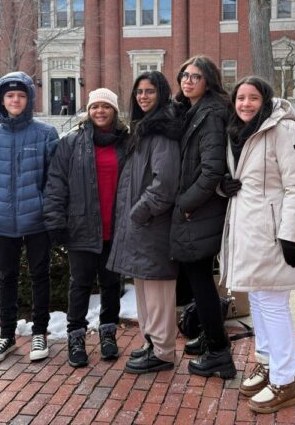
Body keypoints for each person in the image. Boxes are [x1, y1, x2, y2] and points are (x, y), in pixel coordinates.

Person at [219, 76, 295, 414]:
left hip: (272, 234)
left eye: (252, 98)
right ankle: (268, 362)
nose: (245, 104)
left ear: (265, 99)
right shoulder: (240, 131)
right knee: (258, 300)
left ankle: (286, 381)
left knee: (273, 305)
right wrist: (224, 186)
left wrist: (289, 235)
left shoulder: (284, 129)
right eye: (240, 98)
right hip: (248, 230)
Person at [0, 71, 59, 365]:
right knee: (6, 277)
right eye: (10, 95)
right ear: (1, 100)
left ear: (29, 99)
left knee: (39, 275)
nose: (15, 100)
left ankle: (40, 332)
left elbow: (54, 177)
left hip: (36, 220)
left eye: (21, 95)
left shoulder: (46, 134)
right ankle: (6, 336)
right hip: (2, 220)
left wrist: (44, 205)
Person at [44, 88, 129, 368]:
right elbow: (56, 183)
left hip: (115, 228)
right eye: (95, 107)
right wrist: (55, 220)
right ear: (88, 111)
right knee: (79, 284)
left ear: (114, 111)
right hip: (81, 226)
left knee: (111, 284)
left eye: (106, 106)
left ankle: (108, 334)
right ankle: (76, 337)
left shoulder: (126, 143)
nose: (100, 111)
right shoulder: (70, 143)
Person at [107, 71, 181, 374]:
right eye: (139, 91)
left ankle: (163, 351)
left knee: (159, 291)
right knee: (143, 287)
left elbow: (164, 183)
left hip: (153, 224)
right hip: (140, 225)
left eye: (150, 91)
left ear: (161, 94)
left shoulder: (162, 132)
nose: (143, 96)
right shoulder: (144, 129)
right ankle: (151, 342)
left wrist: (140, 211)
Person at [171, 56, 236, 380]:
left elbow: (211, 170)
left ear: (208, 81)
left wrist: (185, 203)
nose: (188, 81)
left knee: (201, 282)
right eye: (185, 75)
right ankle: (211, 339)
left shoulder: (210, 114)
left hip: (200, 210)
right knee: (200, 282)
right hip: (197, 210)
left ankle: (220, 353)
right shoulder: (193, 111)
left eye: (196, 76)